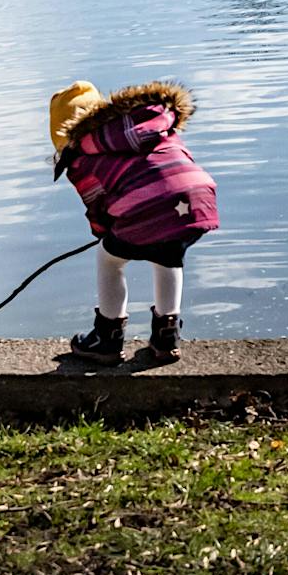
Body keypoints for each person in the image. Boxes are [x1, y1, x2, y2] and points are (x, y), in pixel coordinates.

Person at [50, 79, 219, 366]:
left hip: (149, 205)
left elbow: (97, 207)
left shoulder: (82, 156)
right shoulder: (147, 125)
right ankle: (167, 337)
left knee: (109, 259)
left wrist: (104, 233)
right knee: (168, 256)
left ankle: (107, 337)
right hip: (196, 197)